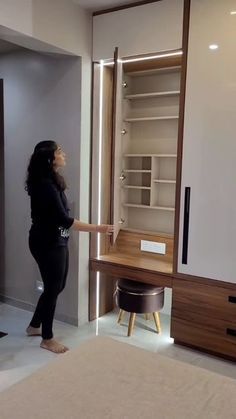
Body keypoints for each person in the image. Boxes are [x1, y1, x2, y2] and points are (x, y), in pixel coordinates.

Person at [25, 140, 114, 354]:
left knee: (56, 286)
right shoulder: (45, 185)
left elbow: (61, 218)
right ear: (49, 158)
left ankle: (34, 326)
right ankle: (47, 338)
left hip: (55, 240)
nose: (64, 154)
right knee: (54, 288)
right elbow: (64, 220)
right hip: (47, 242)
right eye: (59, 151)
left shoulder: (51, 181)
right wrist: (98, 229)